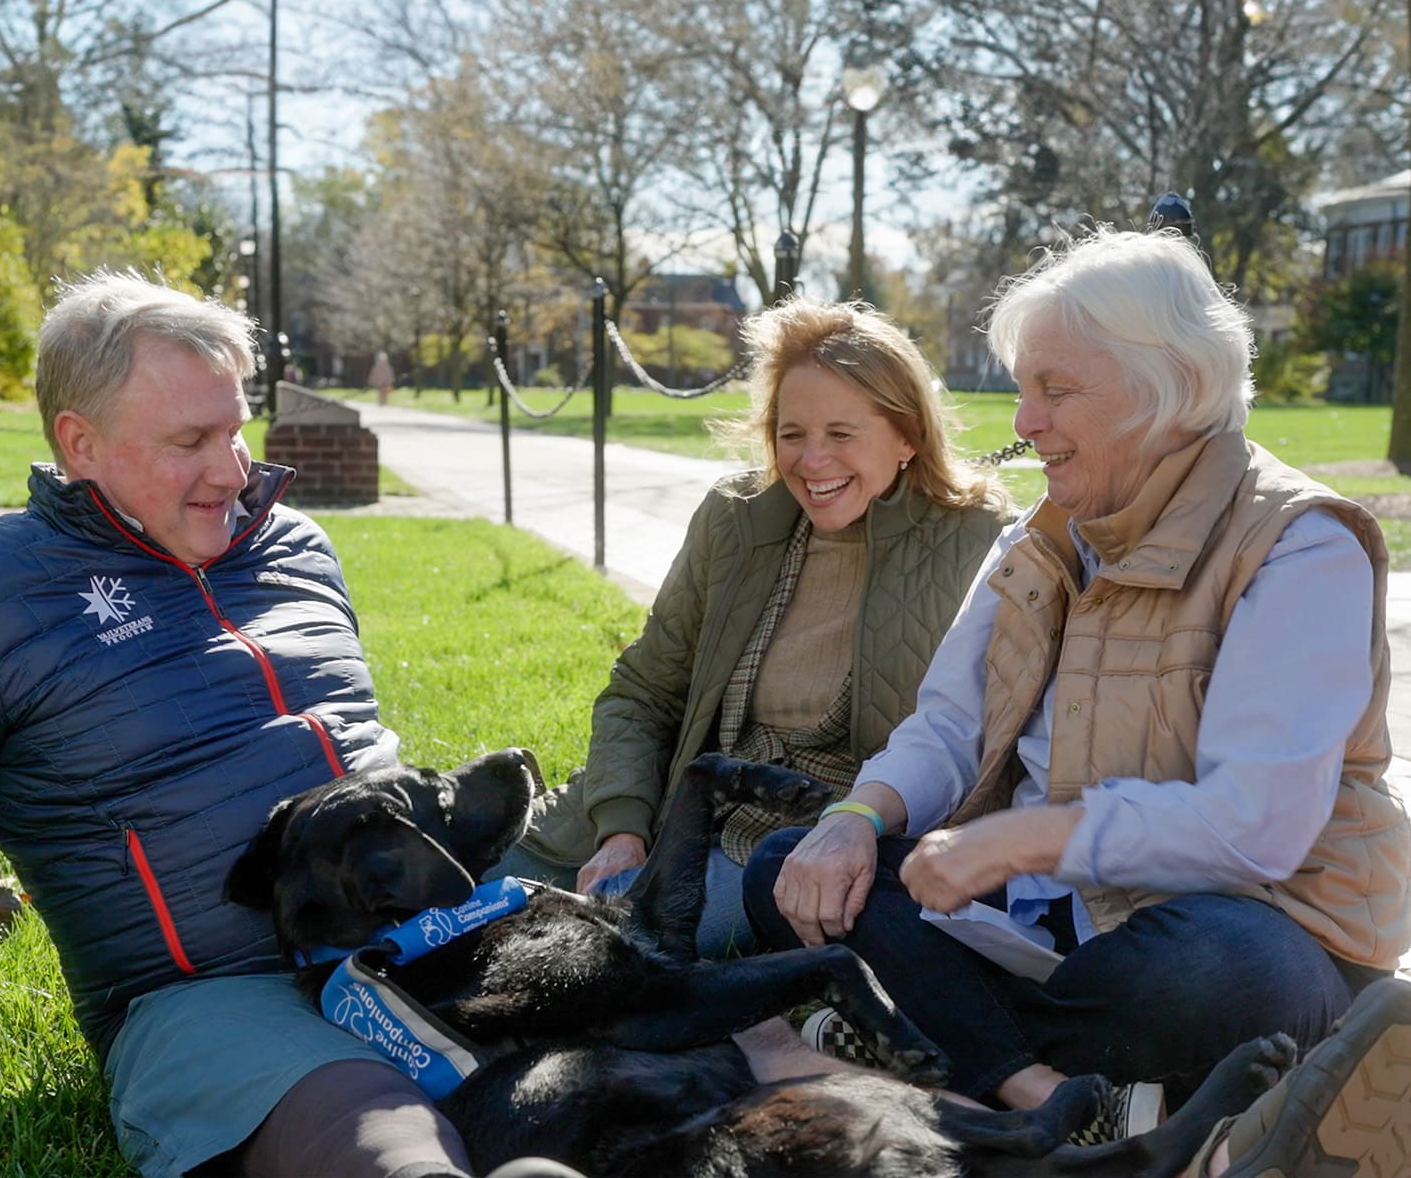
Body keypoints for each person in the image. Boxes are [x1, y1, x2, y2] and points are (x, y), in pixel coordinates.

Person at [742, 228, 1411, 1159]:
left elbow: (1254, 827)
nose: (1024, 420)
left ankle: (917, 1041)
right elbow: (946, 726)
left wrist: (1028, 835)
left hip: (1245, 931)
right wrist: (858, 812)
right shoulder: (1036, 537)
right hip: (1046, 930)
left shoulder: (1299, 546)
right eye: (1024, 387)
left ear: (1166, 390)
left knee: (1226, 970)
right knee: (790, 864)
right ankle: (1049, 1093)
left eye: (1056, 391)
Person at [0, 271, 534, 1178]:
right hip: (210, 1001)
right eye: (190, 441)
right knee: (386, 1138)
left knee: (662, 1062)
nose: (235, 469)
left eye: (234, 427)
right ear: (80, 442)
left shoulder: (294, 546)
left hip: (432, 934)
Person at [501, 296, 1014, 956]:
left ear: (907, 434)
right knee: (446, 893)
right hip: (669, 809)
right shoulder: (735, 519)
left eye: (841, 434)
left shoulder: (976, 542)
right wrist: (620, 828)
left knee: (579, 960)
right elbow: (642, 692)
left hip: (786, 849)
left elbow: (974, 748)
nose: (810, 461)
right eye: (790, 432)